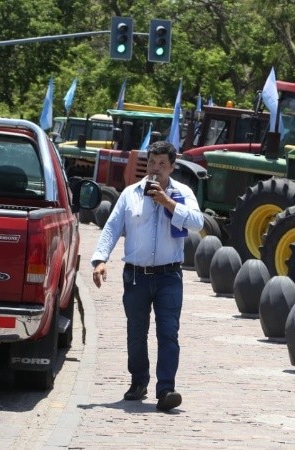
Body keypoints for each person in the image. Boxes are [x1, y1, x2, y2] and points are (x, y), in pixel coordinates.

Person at [90, 141, 204, 412]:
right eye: (152, 163)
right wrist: (100, 260)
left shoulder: (182, 193)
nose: (156, 169)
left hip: (169, 276)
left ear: (172, 167)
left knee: (168, 333)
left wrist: (168, 203)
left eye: (163, 164)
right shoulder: (131, 194)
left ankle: (166, 390)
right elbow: (112, 228)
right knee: (136, 333)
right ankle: (138, 381)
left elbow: (198, 223)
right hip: (136, 277)